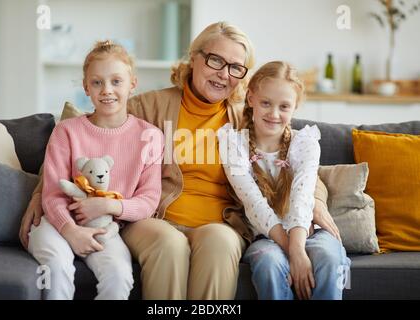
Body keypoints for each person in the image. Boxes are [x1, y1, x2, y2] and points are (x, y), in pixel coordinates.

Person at [20, 22, 340, 300]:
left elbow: (296, 156)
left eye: (235, 67)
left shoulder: (247, 116)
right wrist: (40, 193)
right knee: (169, 244)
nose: (223, 74)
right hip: (153, 219)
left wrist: (314, 199)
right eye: (215, 60)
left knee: (221, 242)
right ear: (194, 58)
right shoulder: (151, 105)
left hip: (220, 222)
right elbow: (86, 130)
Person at [27, 40, 164, 299]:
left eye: (116, 81)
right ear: (86, 87)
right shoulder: (67, 131)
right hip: (56, 224)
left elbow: (148, 200)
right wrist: (70, 231)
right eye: (97, 82)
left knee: (120, 276)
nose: (107, 90)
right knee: (55, 267)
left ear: (132, 84)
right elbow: (53, 192)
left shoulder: (150, 136)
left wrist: (108, 206)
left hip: (105, 228)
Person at [218, 61, 350, 300]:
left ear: (295, 107)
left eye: (284, 106)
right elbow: (253, 202)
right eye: (266, 103)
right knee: (268, 263)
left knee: (329, 259)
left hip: (309, 232)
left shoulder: (305, 142)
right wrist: (293, 253)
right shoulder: (232, 143)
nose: (274, 114)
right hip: (265, 235)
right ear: (251, 99)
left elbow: (302, 196)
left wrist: (298, 249)